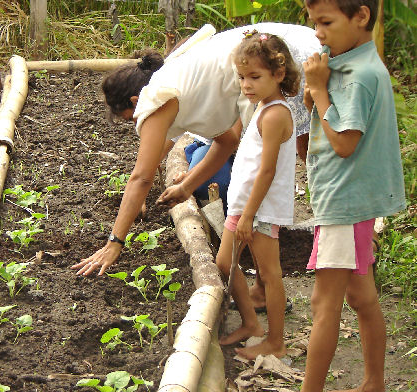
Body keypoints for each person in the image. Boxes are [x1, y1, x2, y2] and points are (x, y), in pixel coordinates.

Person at [254, 0, 406, 392]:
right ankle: (373, 389)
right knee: (361, 297)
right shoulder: (356, 64)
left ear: (360, 17)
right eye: (313, 22)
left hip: (345, 203)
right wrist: (316, 91)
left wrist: (319, 92)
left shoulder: (356, 77)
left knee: (325, 302)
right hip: (350, 203)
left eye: (326, 22)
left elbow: (343, 144)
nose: (317, 33)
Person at [72, 23, 320, 276]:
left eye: (129, 119)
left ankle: (285, 264)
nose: (137, 126)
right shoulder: (177, 86)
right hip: (270, 57)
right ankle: (264, 276)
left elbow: (142, 176)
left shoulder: (155, 101)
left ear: (136, 103)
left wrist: (115, 242)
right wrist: (186, 187)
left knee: (306, 150)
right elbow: (227, 141)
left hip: (285, 58)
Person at [215, 31, 299, 359]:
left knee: (269, 273)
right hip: (245, 205)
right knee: (224, 262)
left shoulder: (276, 113)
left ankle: (275, 342)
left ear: (278, 75)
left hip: (259, 210)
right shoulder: (262, 107)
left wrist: (249, 214)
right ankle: (252, 323)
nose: (246, 85)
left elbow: (267, 171)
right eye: (241, 77)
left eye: (254, 77)